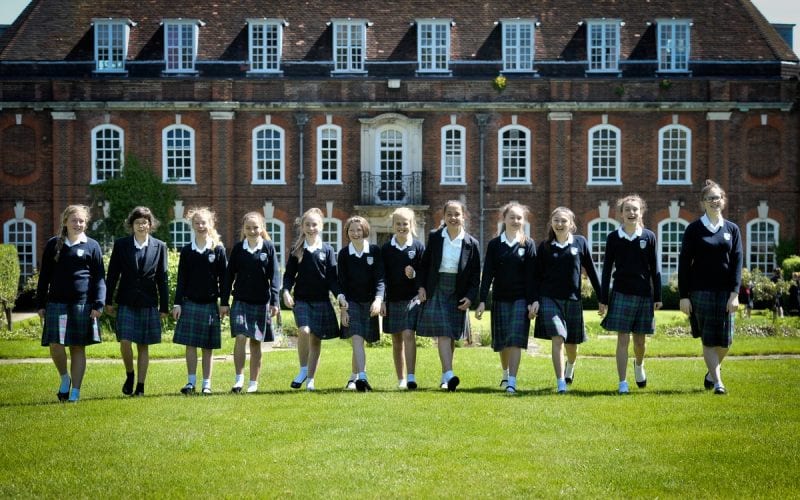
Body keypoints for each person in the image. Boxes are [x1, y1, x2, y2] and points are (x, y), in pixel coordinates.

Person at [678, 180, 743, 395]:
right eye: (710, 198)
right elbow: (684, 263)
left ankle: (710, 372)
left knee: (726, 340)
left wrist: (735, 294)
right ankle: (718, 382)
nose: (715, 201)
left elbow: (737, 262)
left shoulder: (732, 229)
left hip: (725, 293)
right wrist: (684, 295)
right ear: (703, 203)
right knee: (708, 339)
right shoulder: (694, 229)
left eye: (718, 198)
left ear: (723, 201)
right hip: (700, 292)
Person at [37, 204, 106, 402]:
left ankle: (75, 392)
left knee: (78, 347)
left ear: (86, 223)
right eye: (74, 220)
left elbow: (100, 278)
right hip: (56, 303)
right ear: (65, 222)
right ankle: (64, 378)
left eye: (81, 221)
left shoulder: (92, 246)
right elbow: (44, 277)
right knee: (55, 344)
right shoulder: (53, 244)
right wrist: (41, 303)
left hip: (83, 305)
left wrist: (99, 303)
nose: (78, 224)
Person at [530, 207, 601, 394]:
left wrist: (602, 298)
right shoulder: (544, 247)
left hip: (573, 300)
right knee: (558, 338)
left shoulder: (580, 243)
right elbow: (536, 277)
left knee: (571, 345)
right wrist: (535, 300)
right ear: (551, 223)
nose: (559, 224)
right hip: (549, 299)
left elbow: (592, 271)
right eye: (556, 221)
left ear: (571, 224)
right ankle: (561, 382)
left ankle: (571, 364)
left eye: (563, 221)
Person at [598, 195, 662, 394]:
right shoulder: (613, 238)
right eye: (628, 210)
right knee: (622, 340)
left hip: (643, 294)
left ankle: (639, 364)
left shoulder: (649, 236)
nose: (631, 213)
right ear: (621, 214)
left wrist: (658, 296)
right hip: (621, 293)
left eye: (635, 209)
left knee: (640, 342)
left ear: (641, 212)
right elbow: (607, 269)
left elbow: (655, 269)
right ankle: (622, 382)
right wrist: (603, 299)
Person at [105, 206, 169, 397]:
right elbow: (113, 275)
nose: (141, 226)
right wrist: (107, 300)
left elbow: (162, 278)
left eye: (145, 222)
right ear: (131, 225)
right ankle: (130, 374)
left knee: (143, 345)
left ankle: (140, 387)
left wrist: (164, 306)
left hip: (148, 301)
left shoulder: (160, 246)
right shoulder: (121, 245)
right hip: (126, 301)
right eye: (137, 222)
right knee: (125, 341)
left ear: (150, 225)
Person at [417, 200, 481, 391]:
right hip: (437, 288)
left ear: (463, 216)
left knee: (451, 335)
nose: (453, 218)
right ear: (444, 217)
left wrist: (470, 297)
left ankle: (446, 377)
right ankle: (449, 374)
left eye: (457, 214)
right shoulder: (435, 237)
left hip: (458, 291)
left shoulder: (472, 243)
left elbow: (474, 276)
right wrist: (421, 287)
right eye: (449, 214)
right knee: (444, 332)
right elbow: (425, 264)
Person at [282, 207, 347, 391]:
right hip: (302, 300)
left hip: (322, 301)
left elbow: (333, 279)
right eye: (308, 224)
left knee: (316, 340)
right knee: (304, 331)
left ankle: (310, 379)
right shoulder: (297, 250)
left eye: (315, 224)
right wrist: (286, 291)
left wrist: (340, 295)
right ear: (302, 226)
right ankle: (303, 369)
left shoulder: (327, 250)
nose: (311, 228)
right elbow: (288, 275)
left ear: (321, 226)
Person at [475, 202, 537, 394]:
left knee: (515, 340)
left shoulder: (529, 244)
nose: (516, 221)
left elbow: (532, 276)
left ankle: (512, 381)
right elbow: (488, 275)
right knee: (502, 342)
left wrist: (533, 300)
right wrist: (482, 300)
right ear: (504, 219)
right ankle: (505, 373)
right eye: (512, 217)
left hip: (521, 299)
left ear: (523, 221)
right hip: (500, 298)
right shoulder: (495, 245)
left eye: (519, 218)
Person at [220, 211, 280, 394]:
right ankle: (239, 380)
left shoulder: (268, 247)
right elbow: (228, 276)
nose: (252, 231)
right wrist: (224, 302)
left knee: (255, 343)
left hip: (261, 302)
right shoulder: (238, 249)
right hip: (240, 301)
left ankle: (253, 383)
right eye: (248, 228)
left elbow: (275, 276)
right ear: (243, 230)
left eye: (255, 227)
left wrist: (275, 301)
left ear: (261, 228)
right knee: (240, 337)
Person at [172, 207, 227, 395]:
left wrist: (224, 303)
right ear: (192, 225)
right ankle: (190, 382)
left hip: (210, 304)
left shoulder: (217, 250)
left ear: (210, 224)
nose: (201, 226)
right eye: (197, 223)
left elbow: (224, 279)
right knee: (191, 344)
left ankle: (207, 384)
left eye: (204, 222)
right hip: (190, 303)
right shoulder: (187, 251)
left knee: (208, 346)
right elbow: (182, 279)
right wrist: (177, 303)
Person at [338, 216, 385, 392]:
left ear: (364, 230)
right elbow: (341, 283)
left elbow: (380, 279)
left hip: (370, 302)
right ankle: (363, 378)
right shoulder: (343, 254)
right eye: (351, 230)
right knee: (356, 338)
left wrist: (378, 300)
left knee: (361, 342)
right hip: (351, 302)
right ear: (347, 233)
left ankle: (353, 377)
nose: (355, 233)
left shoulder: (374, 251)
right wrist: (343, 308)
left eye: (358, 230)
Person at [381, 207, 425, 390]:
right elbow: (381, 276)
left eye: (405, 223)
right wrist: (382, 299)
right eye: (398, 223)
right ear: (393, 225)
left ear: (411, 225)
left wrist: (415, 275)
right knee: (396, 340)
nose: (401, 227)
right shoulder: (386, 249)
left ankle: (411, 377)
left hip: (411, 299)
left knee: (408, 334)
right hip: (392, 299)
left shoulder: (418, 246)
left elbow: (424, 272)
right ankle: (401, 379)